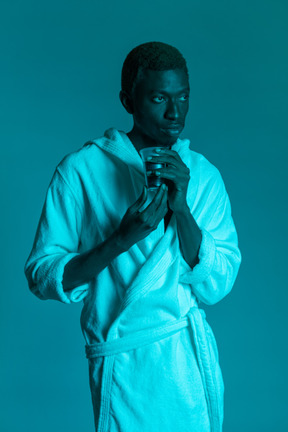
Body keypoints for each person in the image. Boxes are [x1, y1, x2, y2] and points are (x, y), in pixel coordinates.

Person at [24, 41, 241, 432]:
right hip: (123, 366)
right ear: (128, 100)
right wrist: (119, 240)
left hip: (184, 367)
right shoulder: (81, 171)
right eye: (159, 98)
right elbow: (42, 276)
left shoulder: (204, 176)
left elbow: (218, 283)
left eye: (183, 97)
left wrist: (183, 210)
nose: (175, 113)